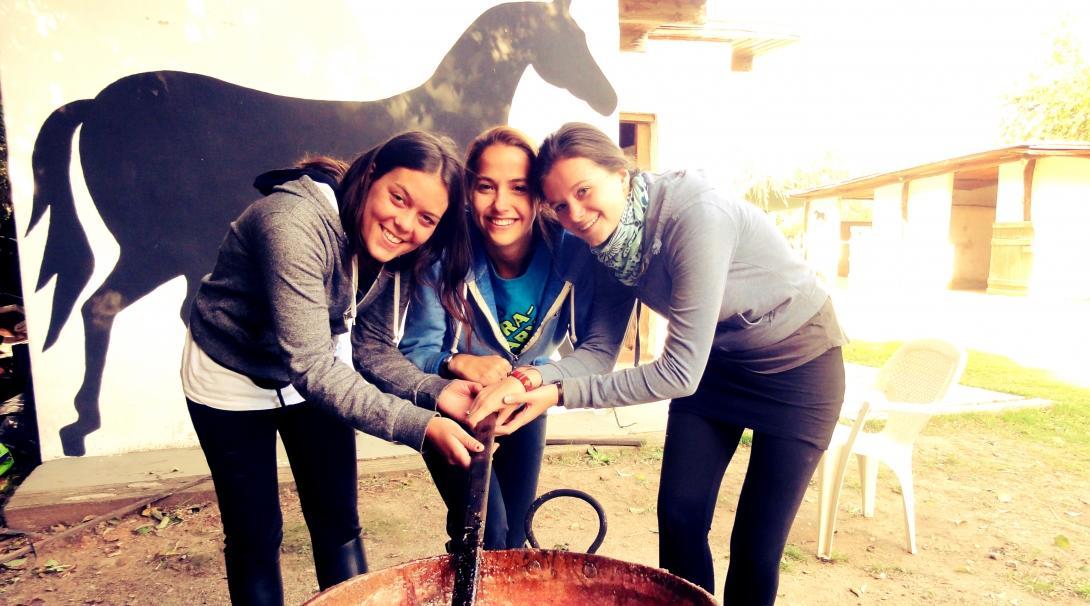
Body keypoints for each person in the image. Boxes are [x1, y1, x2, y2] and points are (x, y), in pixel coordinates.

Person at [469, 123, 848, 604]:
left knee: (755, 543)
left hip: (800, 369)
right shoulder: (607, 247)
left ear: (621, 176)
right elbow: (596, 353)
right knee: (680, 515)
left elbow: (678, 372)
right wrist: (529, 378)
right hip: (719, 364)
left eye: (584, 191)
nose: (577, 214)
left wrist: (559, 394)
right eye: (561, 205)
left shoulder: (694, 215)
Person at [181, 131, 485, 605]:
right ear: (370, 175)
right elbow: (312, 367)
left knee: (338, 522)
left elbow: (371, 347)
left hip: (318, 370)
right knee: (256, 535)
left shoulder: (393, 252)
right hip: (231, 374)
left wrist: (435, 392)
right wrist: (422, 427)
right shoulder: (293, 223)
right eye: (397, 198)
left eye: (426, 218)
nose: (404, 225)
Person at [395, 126, 632, 551]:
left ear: (538, 196)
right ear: (469, 191)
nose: (501, 204)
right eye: (486, 187)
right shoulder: (445, 252)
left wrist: (530, 379)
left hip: (525, 403)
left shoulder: (573, 248)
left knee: (514, 537)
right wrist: (454, 363)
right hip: (456, 408)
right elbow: (416, 351)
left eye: (518, 188)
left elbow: (594, 353)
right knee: (485, 533)